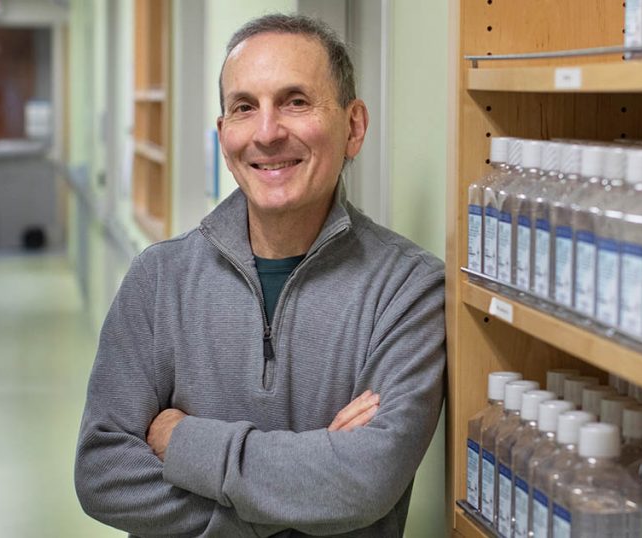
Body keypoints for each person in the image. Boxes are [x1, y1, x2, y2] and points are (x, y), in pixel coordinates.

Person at [75, 13, 445, 537]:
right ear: (224, 134)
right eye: (244, 108)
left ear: (354, 126)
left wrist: (182, 441)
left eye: (296, 101)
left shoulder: (408, 291)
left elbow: (367, 481)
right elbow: (102, 475)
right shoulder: (158, 279)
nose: (267, 133)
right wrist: (301, 500)